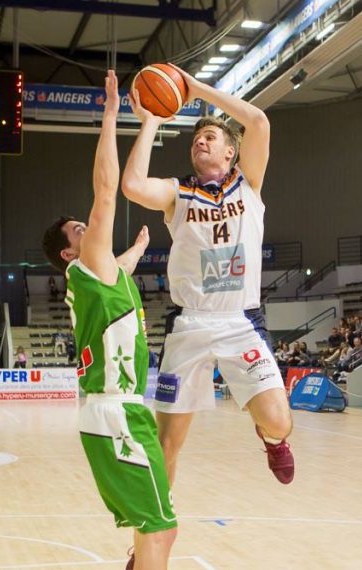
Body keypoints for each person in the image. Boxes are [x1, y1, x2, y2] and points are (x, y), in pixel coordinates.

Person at [40, 70, 186, 570]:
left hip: (123, 410)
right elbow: (107, 190)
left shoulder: (103, 273)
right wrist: (111, 115)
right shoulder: (87, 265)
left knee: (163, 527)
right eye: (80, 229)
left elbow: (119, 266)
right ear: (69, 252)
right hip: (114, 412)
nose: (90, 225)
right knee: (156, 527)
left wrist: (139, 249)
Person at [121, 64, 294, 487]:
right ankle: (156, 521)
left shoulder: (249, 184)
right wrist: (151, 122)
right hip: (190, 324)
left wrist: (195, 88)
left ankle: (272, 439)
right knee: (166, 444)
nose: (200, 140)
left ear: (230, 152)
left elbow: (258, 121)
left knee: (280, 421)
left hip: (240, 321)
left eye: (211, 137)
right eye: (196, 138)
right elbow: (133, 186)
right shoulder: (178, 193)